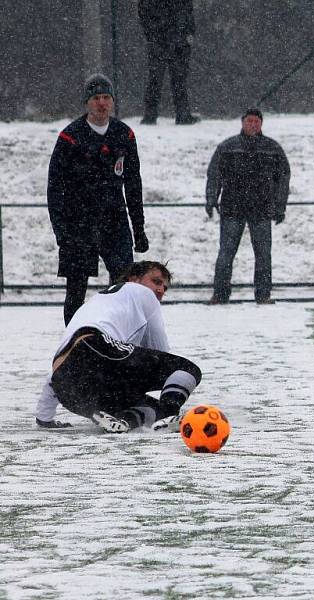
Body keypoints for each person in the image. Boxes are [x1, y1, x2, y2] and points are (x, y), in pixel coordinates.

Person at [35, 261, 202, 434]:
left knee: (152, 408)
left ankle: (123, 421)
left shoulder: (98, 303)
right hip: (97, 349)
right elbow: (160, 352)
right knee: (188, 369)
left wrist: (44, 418)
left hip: (70, 390)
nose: (161, 290)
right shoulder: (143, 293)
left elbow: (56, 374)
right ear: (134, 279)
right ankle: (170, 415)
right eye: (156, 281)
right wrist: (172, 395)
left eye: (165, 288)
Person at [48, 73, 149, 326]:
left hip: (114, 220)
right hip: (78, 223)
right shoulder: (70, 137)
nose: (101, 103)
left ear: (112, 101)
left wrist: (139, 229)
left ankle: (118, 337)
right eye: (96, 98)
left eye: (106, 97)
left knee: (123, 285)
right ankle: (74, 340)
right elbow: (54, 187)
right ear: (87, 102)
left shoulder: (124, 135)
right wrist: (61, 231)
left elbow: (133, 183)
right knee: (76, 288)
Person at [205, 108, 291, 305]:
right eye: (250, 121)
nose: (253, 125)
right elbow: (214, 174)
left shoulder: (272, 148)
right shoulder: (228, 147)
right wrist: (211, 199)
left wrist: (279, 206)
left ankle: (263, 294)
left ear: (261, 124)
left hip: (261, 209)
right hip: (232, 208)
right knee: (226, 253)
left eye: (256, 122)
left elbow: (283, 178)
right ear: (242, 123)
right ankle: (220, 293)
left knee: (263, 255)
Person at [138, 0, 199, 125]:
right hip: (173, 38)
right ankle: (180, 113)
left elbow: (143, 12)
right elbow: (187, 12)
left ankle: (152, 114)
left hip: (168, 39)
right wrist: (188, 33)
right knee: (173, 79)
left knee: (162, 78)